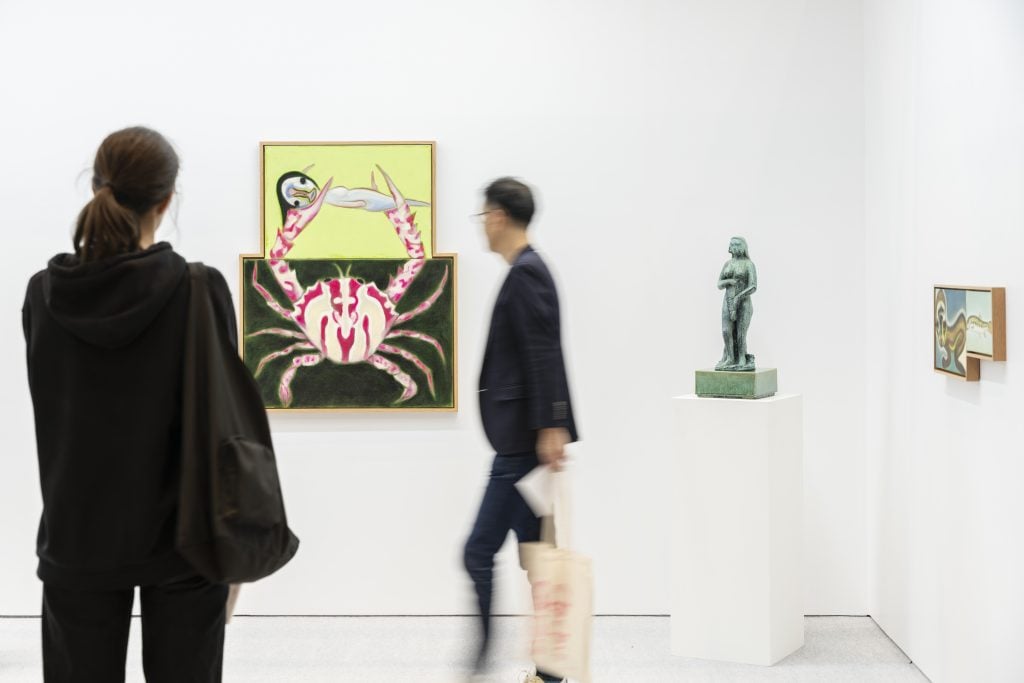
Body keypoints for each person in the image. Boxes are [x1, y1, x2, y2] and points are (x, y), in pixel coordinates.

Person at [22, 126, 235, 682]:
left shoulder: (44, 295)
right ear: (166, 202)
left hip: (77, 534)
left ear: (96, 188)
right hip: (187, 537)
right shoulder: (198, 290)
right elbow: (226, 426)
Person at [464, 178, 578, 683]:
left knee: (479, 551)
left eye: (483, 215)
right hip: (523, 444)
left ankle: (484, 657)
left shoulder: (527, 274)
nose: (482, 225)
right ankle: (550, 672)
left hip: (521, 448)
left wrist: (551, 425)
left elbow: (543, 352)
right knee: (539, 562)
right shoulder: (528, 272)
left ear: (498, 216)